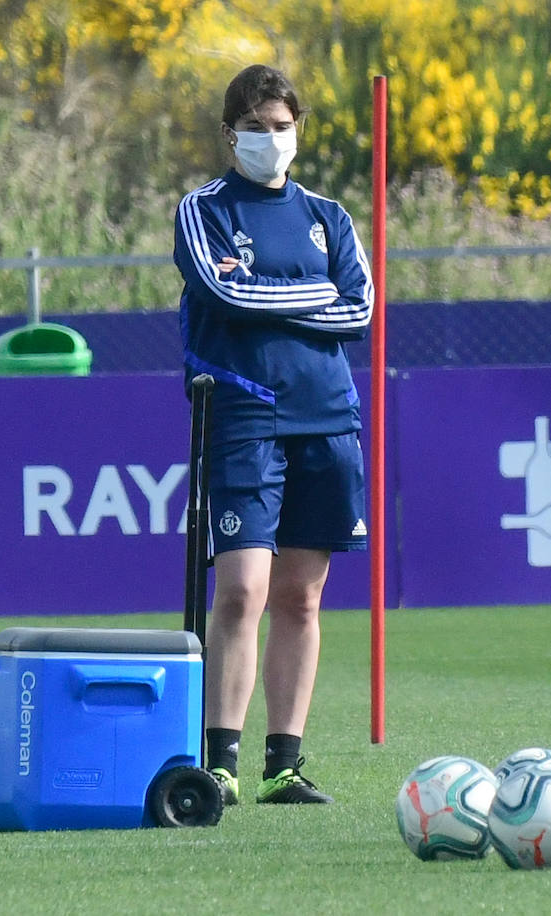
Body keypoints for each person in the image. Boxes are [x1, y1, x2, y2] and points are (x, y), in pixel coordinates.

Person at [173, 64, 374, 805]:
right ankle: (219, 760)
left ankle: (283, 762)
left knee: (302, 597)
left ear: (298, 131)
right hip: (246, 415)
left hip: (328, 416)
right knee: (243, 590)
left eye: (281, 125)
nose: (270, 138)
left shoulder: (329, 217)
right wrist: (309, 293)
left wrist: (274, 300)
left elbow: (357, 311)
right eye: (255, 127)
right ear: (230, 134)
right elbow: (223, 290)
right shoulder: (205, 210)